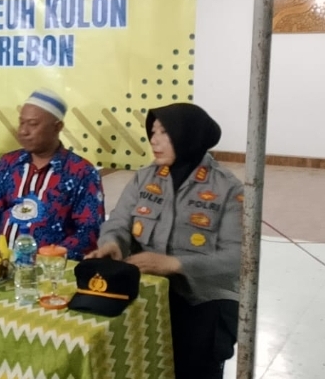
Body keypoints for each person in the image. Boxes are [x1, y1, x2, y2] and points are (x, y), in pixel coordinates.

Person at [86, 103, 242, 379]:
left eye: (164, 132)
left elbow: (238, 258)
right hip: (148, 290)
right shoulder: (145, 177)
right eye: (153, 132)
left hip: (204, 297)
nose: (154, 140)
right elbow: (119, 222)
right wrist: (112, 243)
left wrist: (175, 264)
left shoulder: (227, 188)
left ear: (189, 135)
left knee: (195, 363)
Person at [0, 89, 105, 260]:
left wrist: (49, 258)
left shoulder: (81, 172)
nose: (23, 131)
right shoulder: (8, 163)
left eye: (32, 124)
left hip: (50, 266)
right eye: (21, 123)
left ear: (57, 127)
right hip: (0, 260)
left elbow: (89, 231)